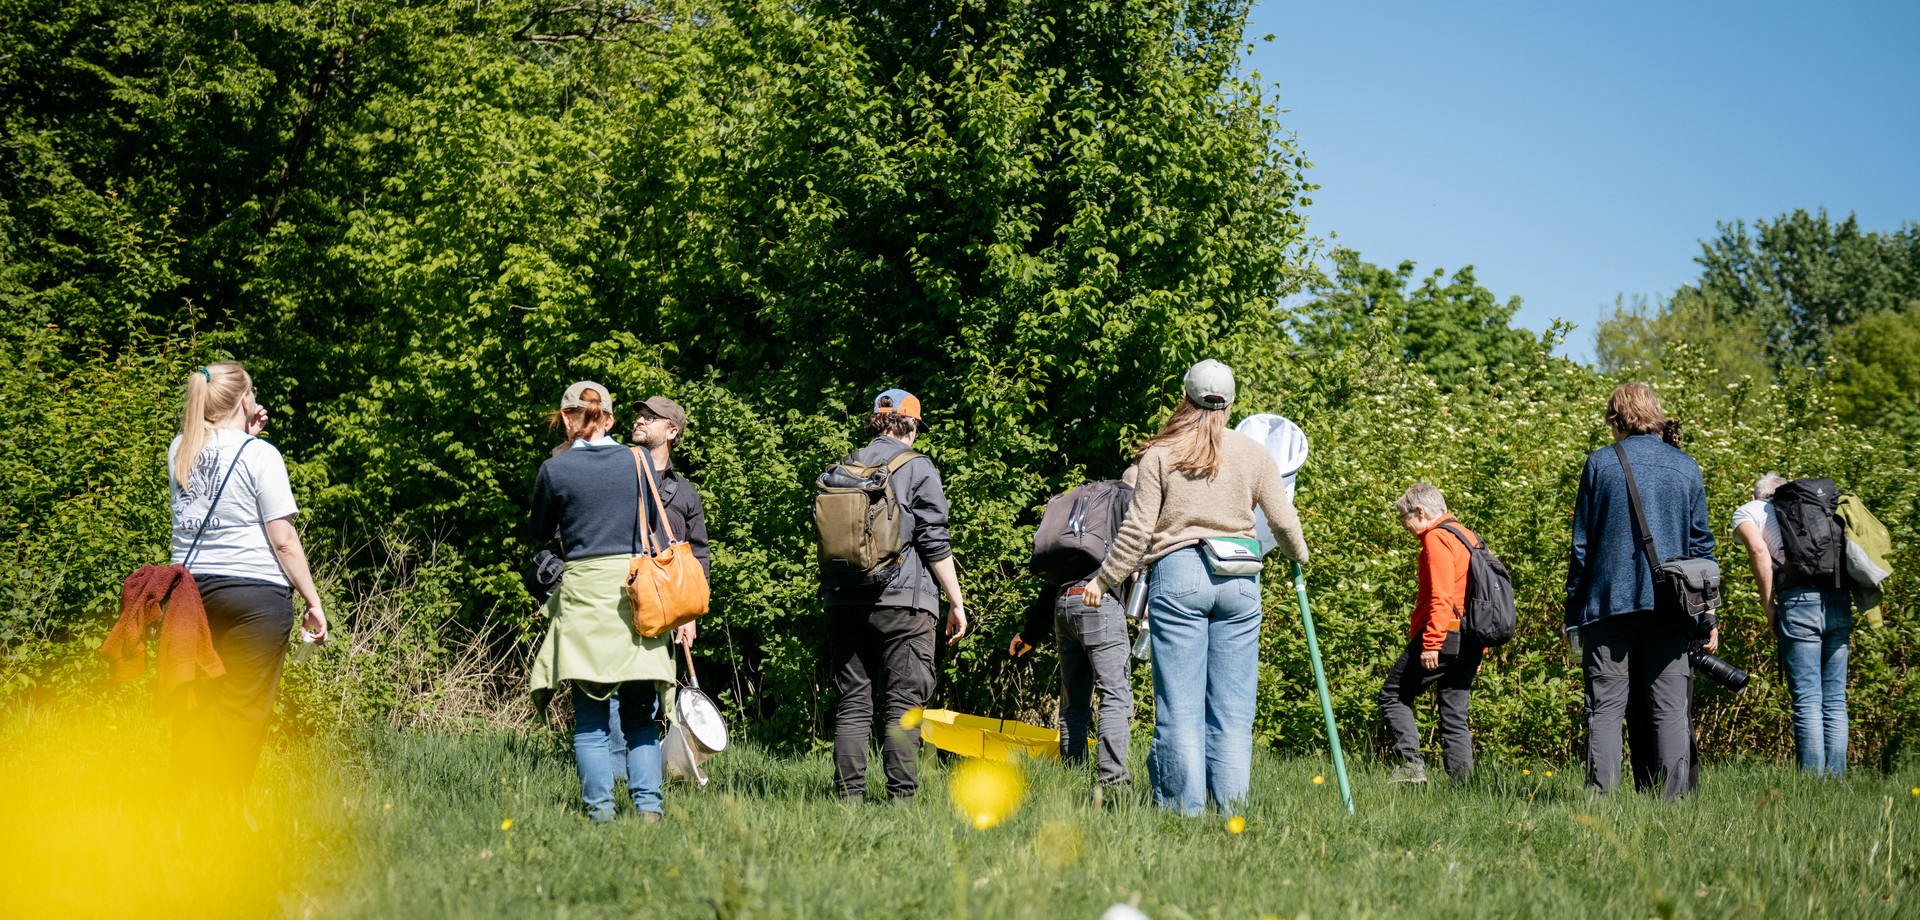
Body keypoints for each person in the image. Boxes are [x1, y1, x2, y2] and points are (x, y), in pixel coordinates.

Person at [1081, 360, 1309, 816]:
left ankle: (1183, 814)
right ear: (1231, 403)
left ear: (1185, 398)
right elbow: (1283, 521)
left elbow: (1137, 530)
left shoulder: (1160, 455)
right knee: (1233, 710)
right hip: (1241, 581)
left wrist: (1104, 579)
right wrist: (1299, 555)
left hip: (1181, 573)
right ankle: (1231, 814)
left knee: (1180, 708)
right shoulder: (1253, 454)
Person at [166, 361, 328, 791]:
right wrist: (313, 601)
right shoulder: (262, 456)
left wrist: (246, 437)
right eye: (252, 393)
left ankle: (183, 807)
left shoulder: (180, 447)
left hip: (189, 595)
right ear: (244, 399)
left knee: (195, 707)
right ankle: (224, 816)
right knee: (240, 712)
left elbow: (215, 489)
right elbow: (284, 540)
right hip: (252, 598)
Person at [527, 381, 674, 822]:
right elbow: (650, 518)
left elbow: (538, 532)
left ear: (567, 418)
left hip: (584, 595)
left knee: (590, 719)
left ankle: (601, 814)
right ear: (608, 418)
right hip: (635, 595)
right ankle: (649, 810)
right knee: (640, 716)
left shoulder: (555, 470)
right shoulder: (638, 460)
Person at [1565, 383, 1715, 799]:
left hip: (1608, 605)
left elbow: (1582, 547)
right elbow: (1703, 549)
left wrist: (1574, 612)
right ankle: (1672, 806)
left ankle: (1601, 803)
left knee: (1606, 709)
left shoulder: (1600, 465)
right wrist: (1708, 615)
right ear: (1655, 415)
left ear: (1615, 418)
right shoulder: (1686, 467)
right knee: (1670, 710)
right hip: (1673, 607)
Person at [822, 388, 968, 805]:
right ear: (912, 425)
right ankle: (901, 802)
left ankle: (848, 801)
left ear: (875, 420)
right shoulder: (918, 467)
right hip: (904, 602)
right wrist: (955, 601)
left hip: (841, 600)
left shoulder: (842, 467)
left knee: (853, 703)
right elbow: (934, 540)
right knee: (902, 705)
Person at [1009, 467, 1139, 797]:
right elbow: (1136, 560)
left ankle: (1073, 776)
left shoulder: (1086, 513)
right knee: (1114, 695)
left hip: (1064, 603)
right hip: (1098, 603)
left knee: (1074, 703)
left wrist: (1028, 635)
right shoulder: (1127, 500)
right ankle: (1113, 785)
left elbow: (1050, 585)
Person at [609, 395, 708, 785]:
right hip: (619, 597)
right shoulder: (615, 474)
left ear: (672, 432)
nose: (639, 419)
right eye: (640, 414)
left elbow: (699, 555)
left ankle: (649, 776)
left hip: (665, 605)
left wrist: (691, 615)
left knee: (652, 694)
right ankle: (617, 780)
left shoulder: (685, 494)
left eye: (651, 417)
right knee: (614, 688)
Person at [1734, 472, 1851, 775]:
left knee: (1808, 699)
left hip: (1799, 604)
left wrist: (1768, 605)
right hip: (1838, 598)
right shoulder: (1820, 508)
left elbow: (1759, 551)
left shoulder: (1751, 511)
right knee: (1835, 699)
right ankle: (1836, 783)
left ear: (1754, 493)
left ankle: (1813, 785)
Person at [1379, 482, 1486, 784]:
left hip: (1444, 634)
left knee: (1392, 695)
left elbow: (1442, 596)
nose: (1405, 526)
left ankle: (1411, 767)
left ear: (1421, 511)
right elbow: (1480, 597)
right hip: (1472, 637)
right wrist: (1481, 649)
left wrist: (1431, 643)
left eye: (1405, 518)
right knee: (1454, 714)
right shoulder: (1469, 537)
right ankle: (1463, 786)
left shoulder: (1437, 537)